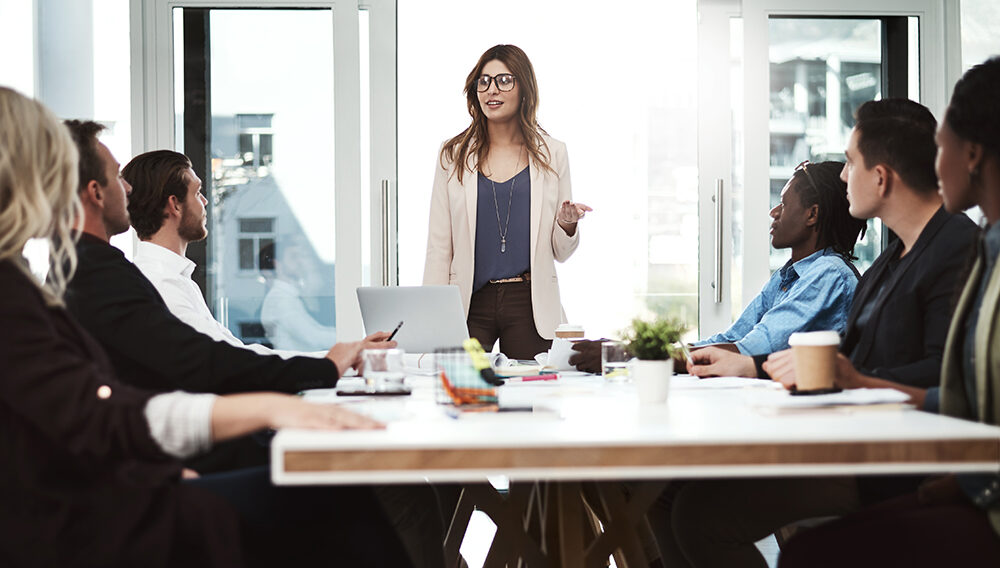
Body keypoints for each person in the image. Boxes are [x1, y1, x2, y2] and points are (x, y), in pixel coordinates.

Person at [0, 86, 412, 568]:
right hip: (90, 522)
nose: (126, 189)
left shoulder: (41, 280)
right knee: (336, 496)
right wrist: (277, 401)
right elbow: (135, 394)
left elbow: (100, 406)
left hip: (110, 493)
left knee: (331, 491)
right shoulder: (53, 283)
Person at [649, 98, 979, 568]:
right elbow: (847, 351)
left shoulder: (956, 249)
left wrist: (853, 379)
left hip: (891, 461)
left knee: (700, 515)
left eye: (850, 162)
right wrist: (753, 365)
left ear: (881, 177)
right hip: (852, 440)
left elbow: (946, 374)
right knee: (675, 494)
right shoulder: (892, 259)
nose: (844, 176)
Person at [779, 57, 1000, 568]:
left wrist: (856, 382)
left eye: (940, 145)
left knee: (797, 551)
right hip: (943, 472)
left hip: (938, 475)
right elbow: (963, 392)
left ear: (970, 154)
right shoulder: (936, 251)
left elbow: (955, 383)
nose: (932, 161)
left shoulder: (968, 247)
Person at [569, 162, 865, 372]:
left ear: (812, 215)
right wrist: (638, 348)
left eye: (784, 204)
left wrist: (634, 355)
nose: (773, 212)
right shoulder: (790, 276)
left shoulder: (828, 274)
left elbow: (752, 350)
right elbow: (730, 341)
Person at [423, 44, 591, 360]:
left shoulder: (553, 153)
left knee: (535, 401)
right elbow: (439, 247)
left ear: (524, 88)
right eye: (483, 82)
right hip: (469, 301)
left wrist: (567, 223)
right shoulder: (453, 155)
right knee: (465, 397)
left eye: (504, 80)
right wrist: (432, 320)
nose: (491, 90)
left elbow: (561, 252)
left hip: (528, 301)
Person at [123, 149, 326, 357]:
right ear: (175, 205)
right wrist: (329, 361)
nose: (205, 201)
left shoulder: (176, 279)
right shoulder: (160, 284)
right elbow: (231, 359)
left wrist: (329, 359)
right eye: (197, 192)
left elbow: (234, 351)